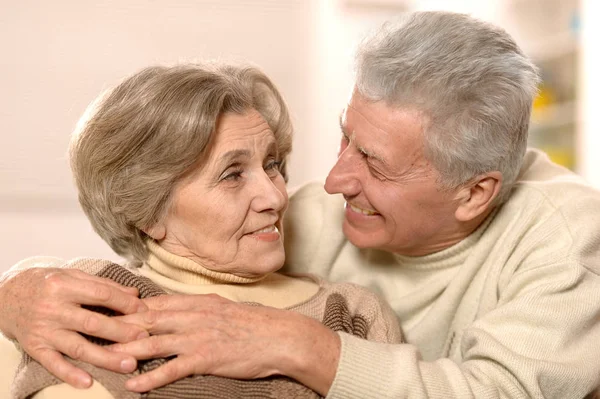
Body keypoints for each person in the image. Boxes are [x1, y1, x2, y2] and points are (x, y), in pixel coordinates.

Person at [2, 10, 600, 398]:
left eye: (375, 164)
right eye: (347, 138)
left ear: (474, 193)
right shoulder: (309, 219)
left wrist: (295, 342)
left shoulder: (568, 238)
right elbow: (152, 243)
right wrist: (15, 291)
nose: (330, 182)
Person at [0, 62, 402, 398]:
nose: (276, 198)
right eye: (232, 174)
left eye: (272, 164)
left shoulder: (353, 313)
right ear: (149, 213)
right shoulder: (80, 304)